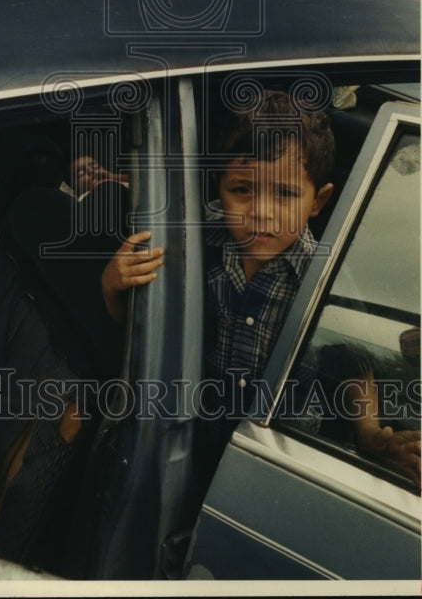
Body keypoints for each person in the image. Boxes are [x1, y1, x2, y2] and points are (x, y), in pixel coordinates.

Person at [99, 90, 335, 465]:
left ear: (318, 202)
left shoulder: (324, 276)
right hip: (185, 441)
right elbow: (144, 331)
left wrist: (368, 431)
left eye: (285, 194)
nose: (260, 212)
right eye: (242, 189)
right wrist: (113, 287)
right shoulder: (191, 244)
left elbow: (351, 361)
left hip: (269, 459)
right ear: (217, 187)